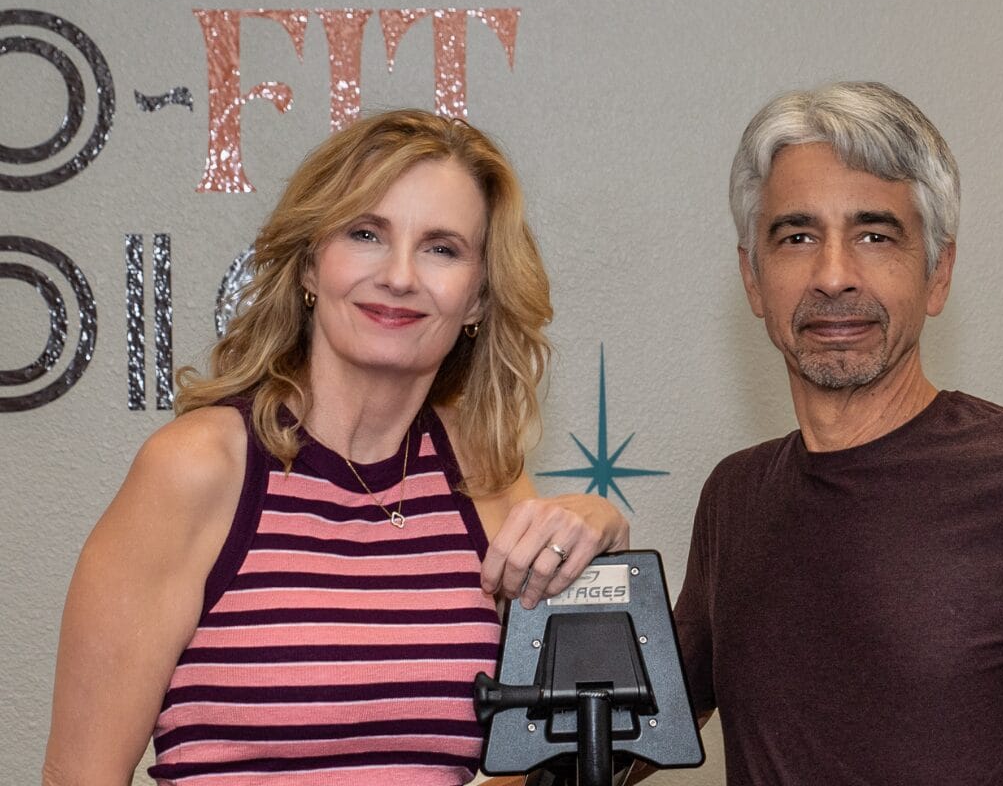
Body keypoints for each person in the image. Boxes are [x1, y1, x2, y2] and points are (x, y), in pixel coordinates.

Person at [43, 109, 629, 786]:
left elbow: (539, 761)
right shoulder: (200, 467)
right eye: (366, 234)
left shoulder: (483, 476)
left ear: (477, 299)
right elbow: (77, 777)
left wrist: (598, 528)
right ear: (309, 268)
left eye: (442, 248)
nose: (401, 276)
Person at [670, 82, 1003, 784]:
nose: (833, 275)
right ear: (753, 279)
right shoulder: (735, 496)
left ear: (938, 273)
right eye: (797, 236)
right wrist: (573, 554)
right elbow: (640, 729)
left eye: (874, 234)